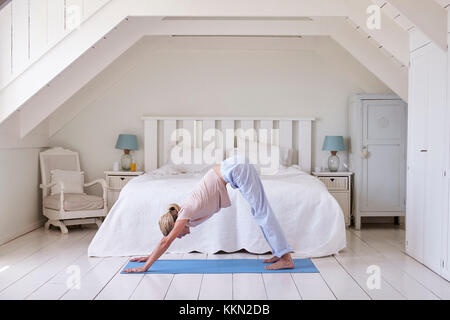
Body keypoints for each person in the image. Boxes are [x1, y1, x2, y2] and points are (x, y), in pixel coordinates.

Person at [124, 156, 294, 273]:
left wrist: (146, 265)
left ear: (175, 225)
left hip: (235, 168)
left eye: (177, 234)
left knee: (261, 212)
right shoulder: (187, 211)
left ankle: (286, 258)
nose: (180, 237)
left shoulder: (186, 212)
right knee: (260, 211)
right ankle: (280, 253)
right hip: (234, 166)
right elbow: (165, 241)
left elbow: (165, 242)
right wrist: (149, 256)